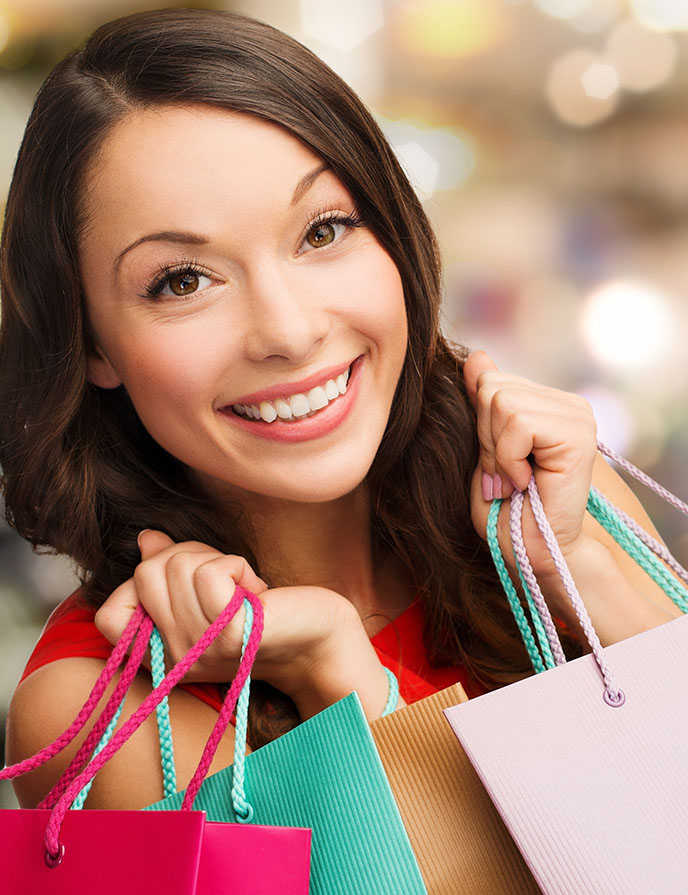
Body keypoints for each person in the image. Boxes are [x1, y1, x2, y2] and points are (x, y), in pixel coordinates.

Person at [0, 7, 680, 811]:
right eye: (183, 280)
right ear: (92, 347)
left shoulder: (552, 506)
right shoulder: (103, 709)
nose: (289, 330)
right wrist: (339, 673)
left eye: (323, 230)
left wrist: (583, 569)